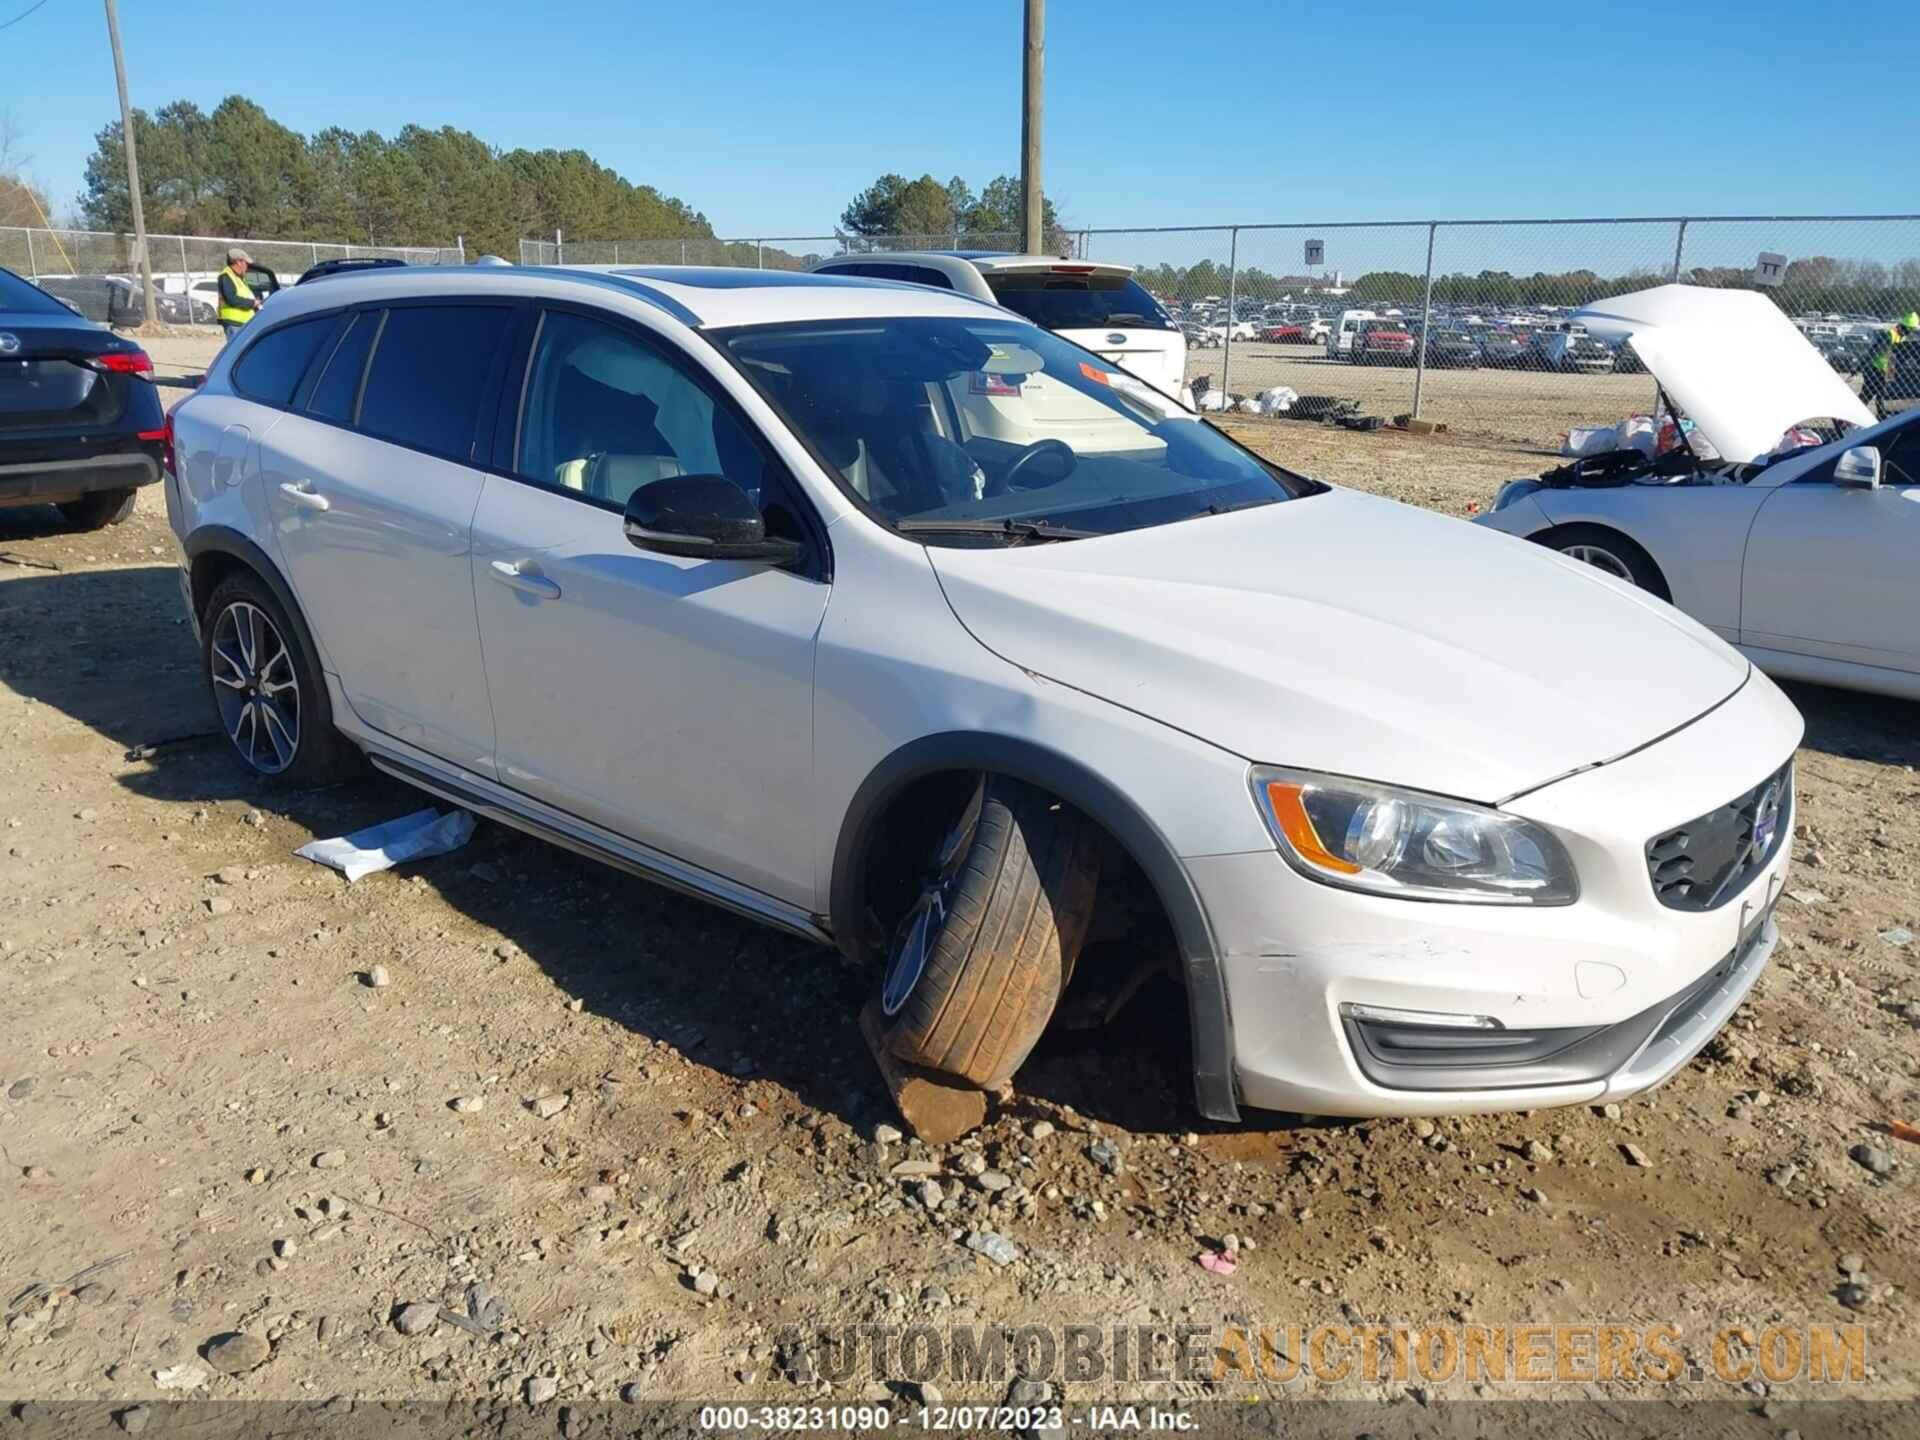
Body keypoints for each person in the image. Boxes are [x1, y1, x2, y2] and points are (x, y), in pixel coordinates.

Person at [1861, 310, 1917, 418]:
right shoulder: (1890, 335)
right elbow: (1875, 350)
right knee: (1874, 394)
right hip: (1874, 368)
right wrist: (1862, 365)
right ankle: (1881, 418)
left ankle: (1880, 417)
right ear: (1904, 327)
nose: (1908, 333)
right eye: (1909, 330)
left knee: (1874, 394)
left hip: (1883, 370)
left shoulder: (1900, 337)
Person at [216, 247, 261, 342]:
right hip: (234, 323)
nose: (247, 266)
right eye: (245, 263)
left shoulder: (238, 278)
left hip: (242, 323)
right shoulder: (226, 276)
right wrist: (252, 303)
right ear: (238, 262)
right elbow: (231, 298)